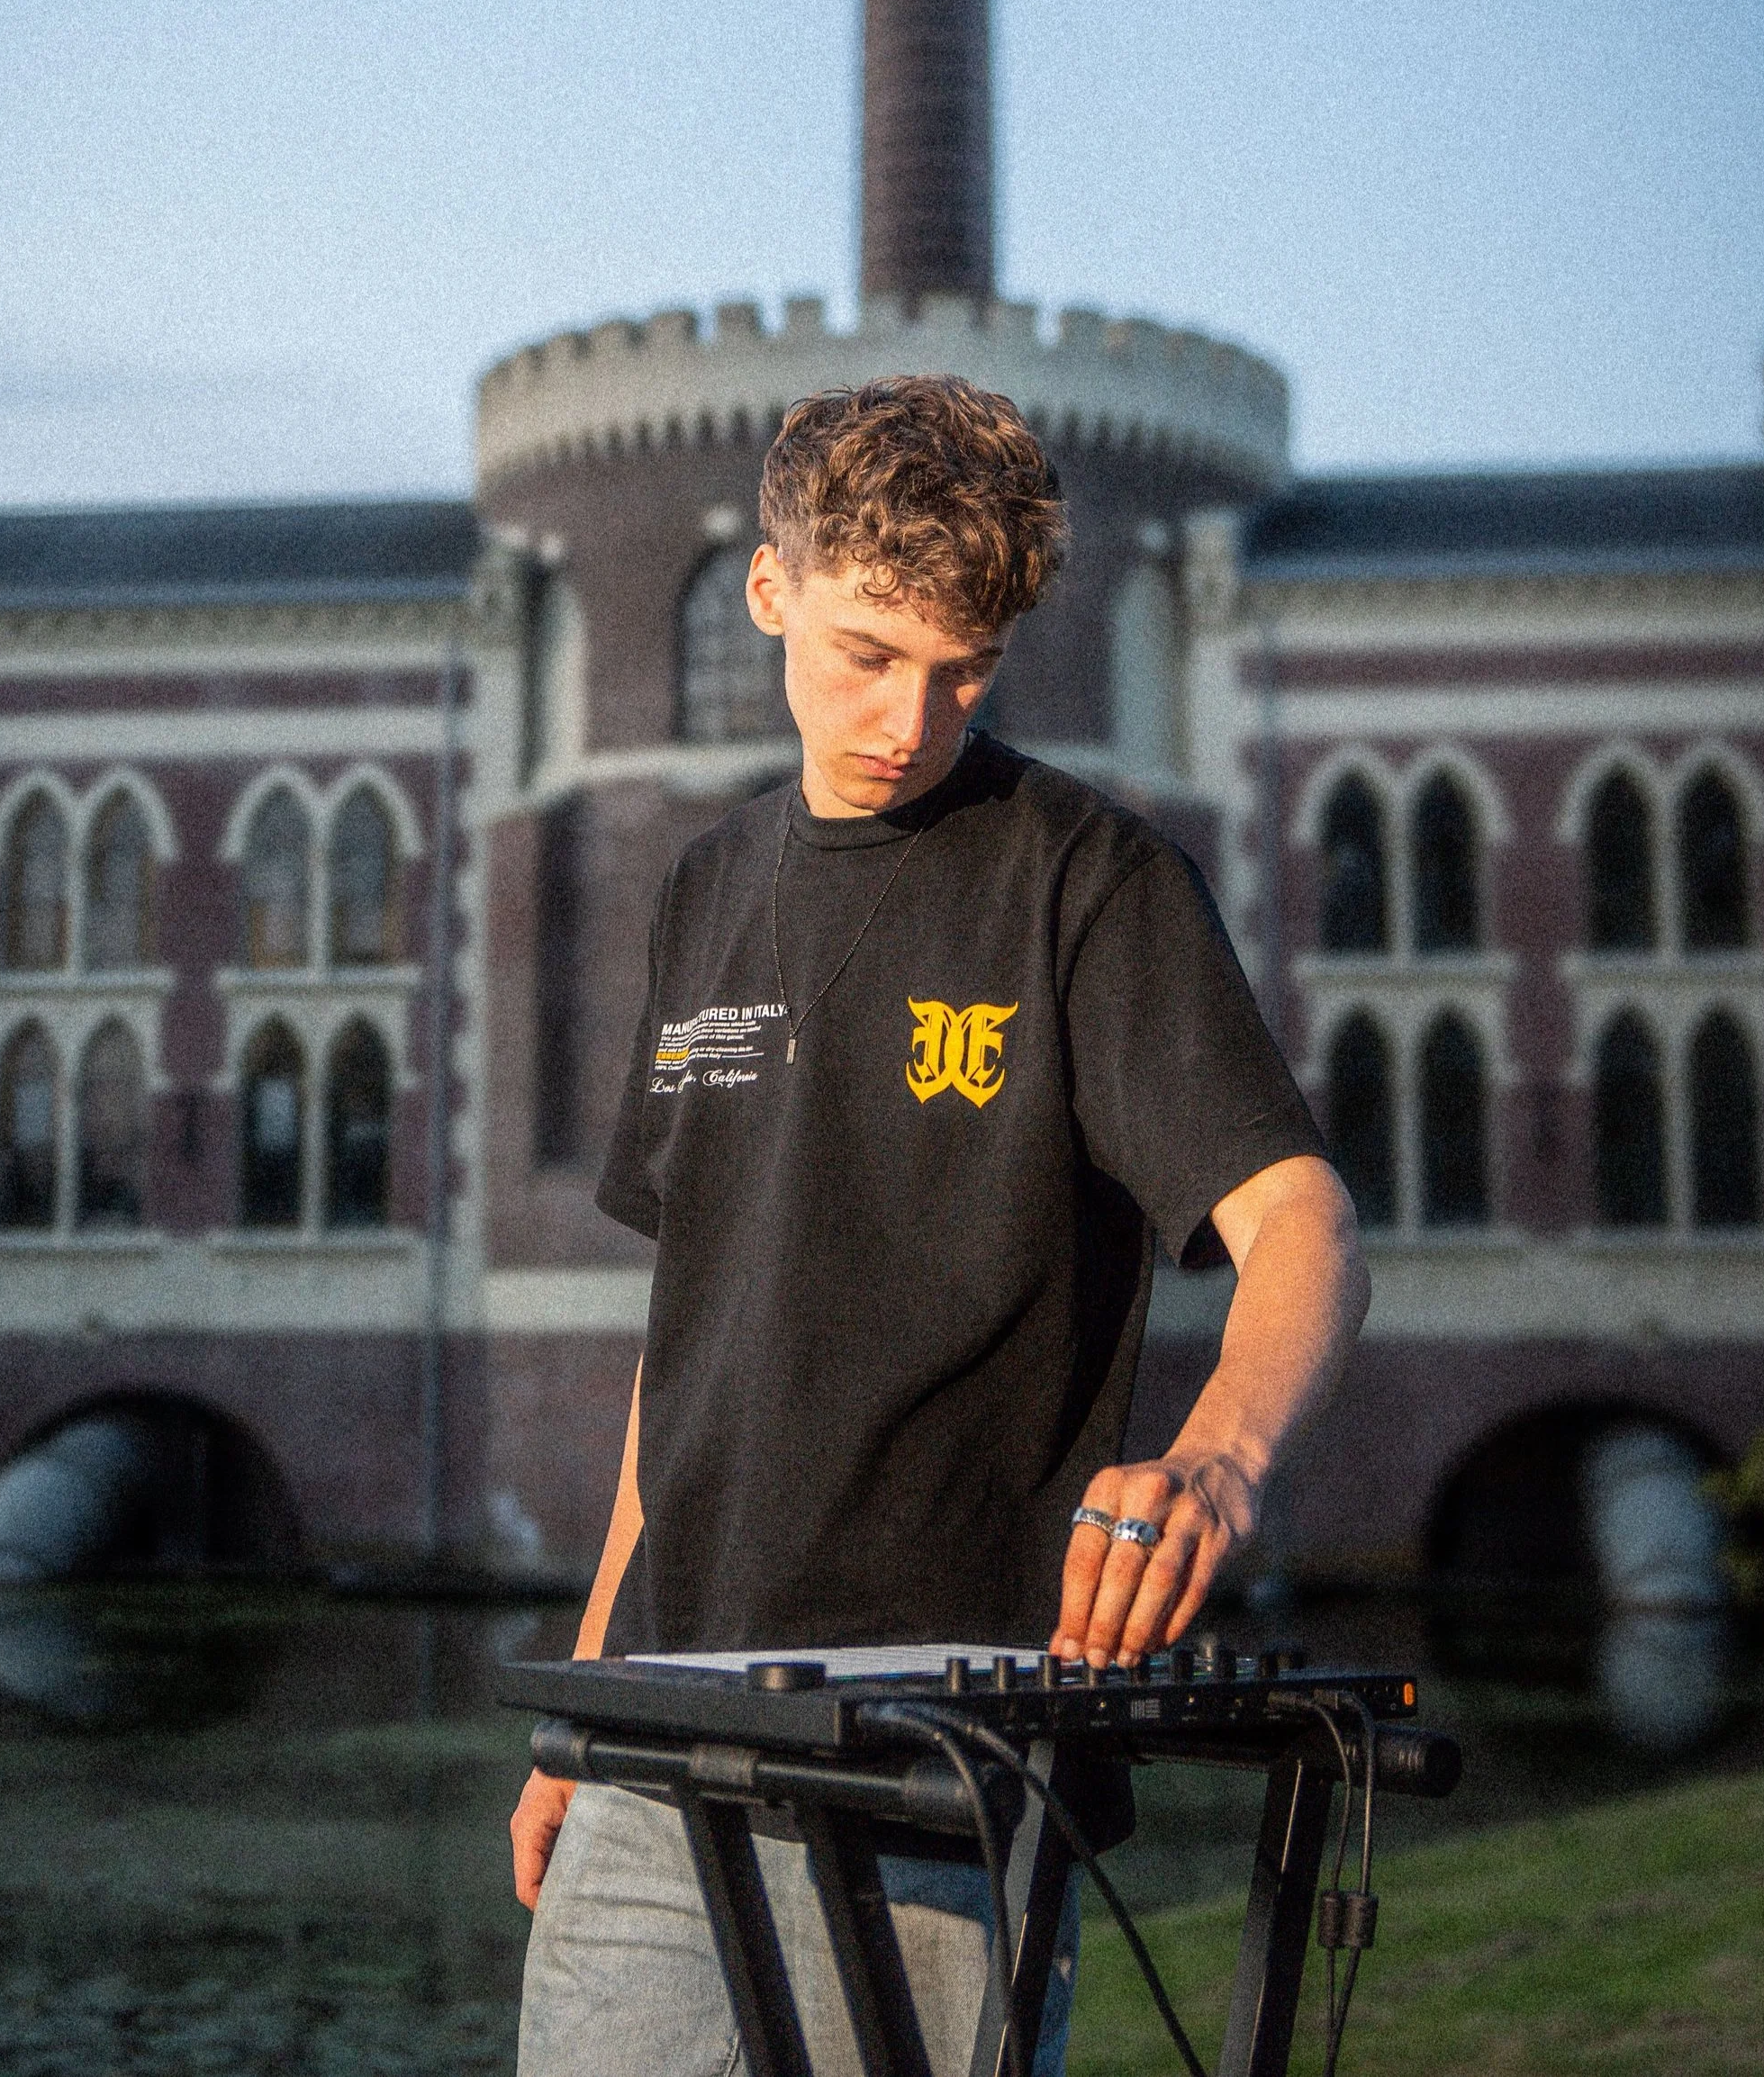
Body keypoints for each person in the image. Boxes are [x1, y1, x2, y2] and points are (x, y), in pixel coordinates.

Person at [511, 375, 1370, 2076]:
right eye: (865, 654)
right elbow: (682, 1349)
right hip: (657, 1736)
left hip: (945, 1752)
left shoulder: (1088, 883)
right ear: (769, 594)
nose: (910, 718)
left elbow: (1304, 1219)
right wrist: (585, 1703)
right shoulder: (703, 889)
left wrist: (1216, 1461)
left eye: (961, 668)